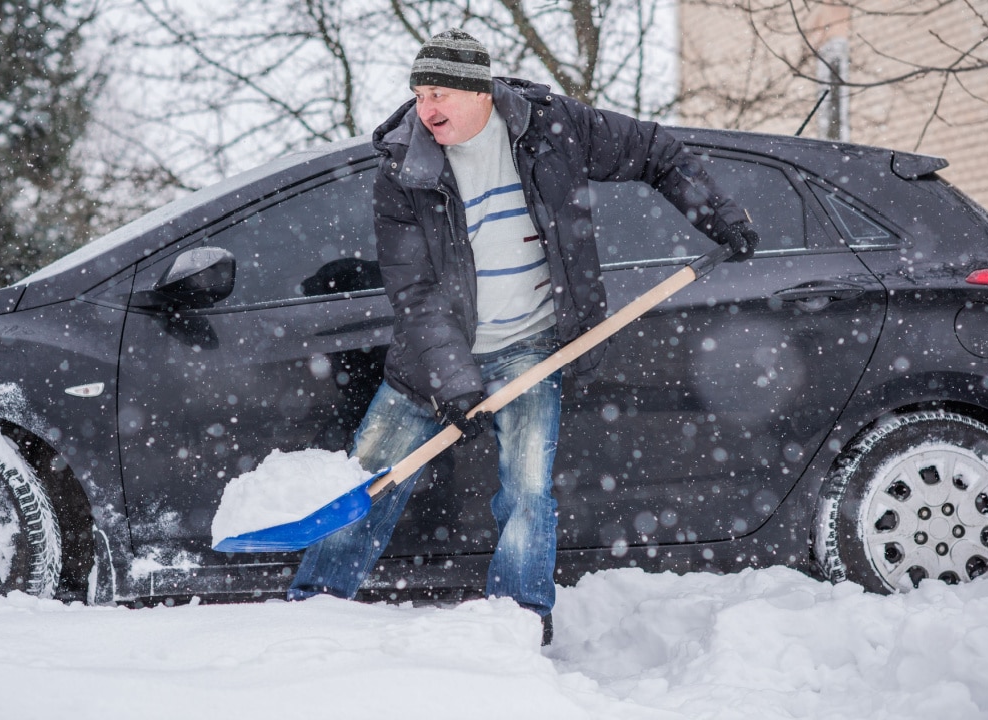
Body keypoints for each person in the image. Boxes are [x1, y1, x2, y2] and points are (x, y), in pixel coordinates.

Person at [287, 29, 759, 645]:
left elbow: (653, 151)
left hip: (534, 344)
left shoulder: (551, 128)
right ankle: (311, 610)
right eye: (419, 93)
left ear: (479, 90)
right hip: (432, 357)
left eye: (439, 93)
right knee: (369, 483)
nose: (426, 109)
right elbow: (417, 293)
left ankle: (518, 621)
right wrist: (455, 382)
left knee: (528, 492)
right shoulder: (404, 169)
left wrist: (717, 214)